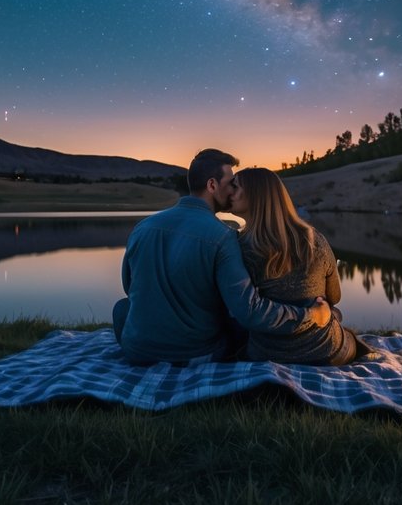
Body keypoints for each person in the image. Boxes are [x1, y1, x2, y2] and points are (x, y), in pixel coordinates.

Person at [112, 149, 331, 365]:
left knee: (122, 308)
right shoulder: (224, 236)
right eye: (230, 184)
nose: (233, 191)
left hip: (137, 351)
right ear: (212, 185)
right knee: (234, 322)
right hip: (197, 354)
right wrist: (309, 315)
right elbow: (249, 312)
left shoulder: (143, 227)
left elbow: (129, 286)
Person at [229, 167, 368, 365]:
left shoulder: (238, 247)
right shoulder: (315, 239)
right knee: (340, 323)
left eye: (235, 186)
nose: (229, 192)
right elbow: (335, 296)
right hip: (326, 354)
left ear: (255, 194)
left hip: (266, 356)